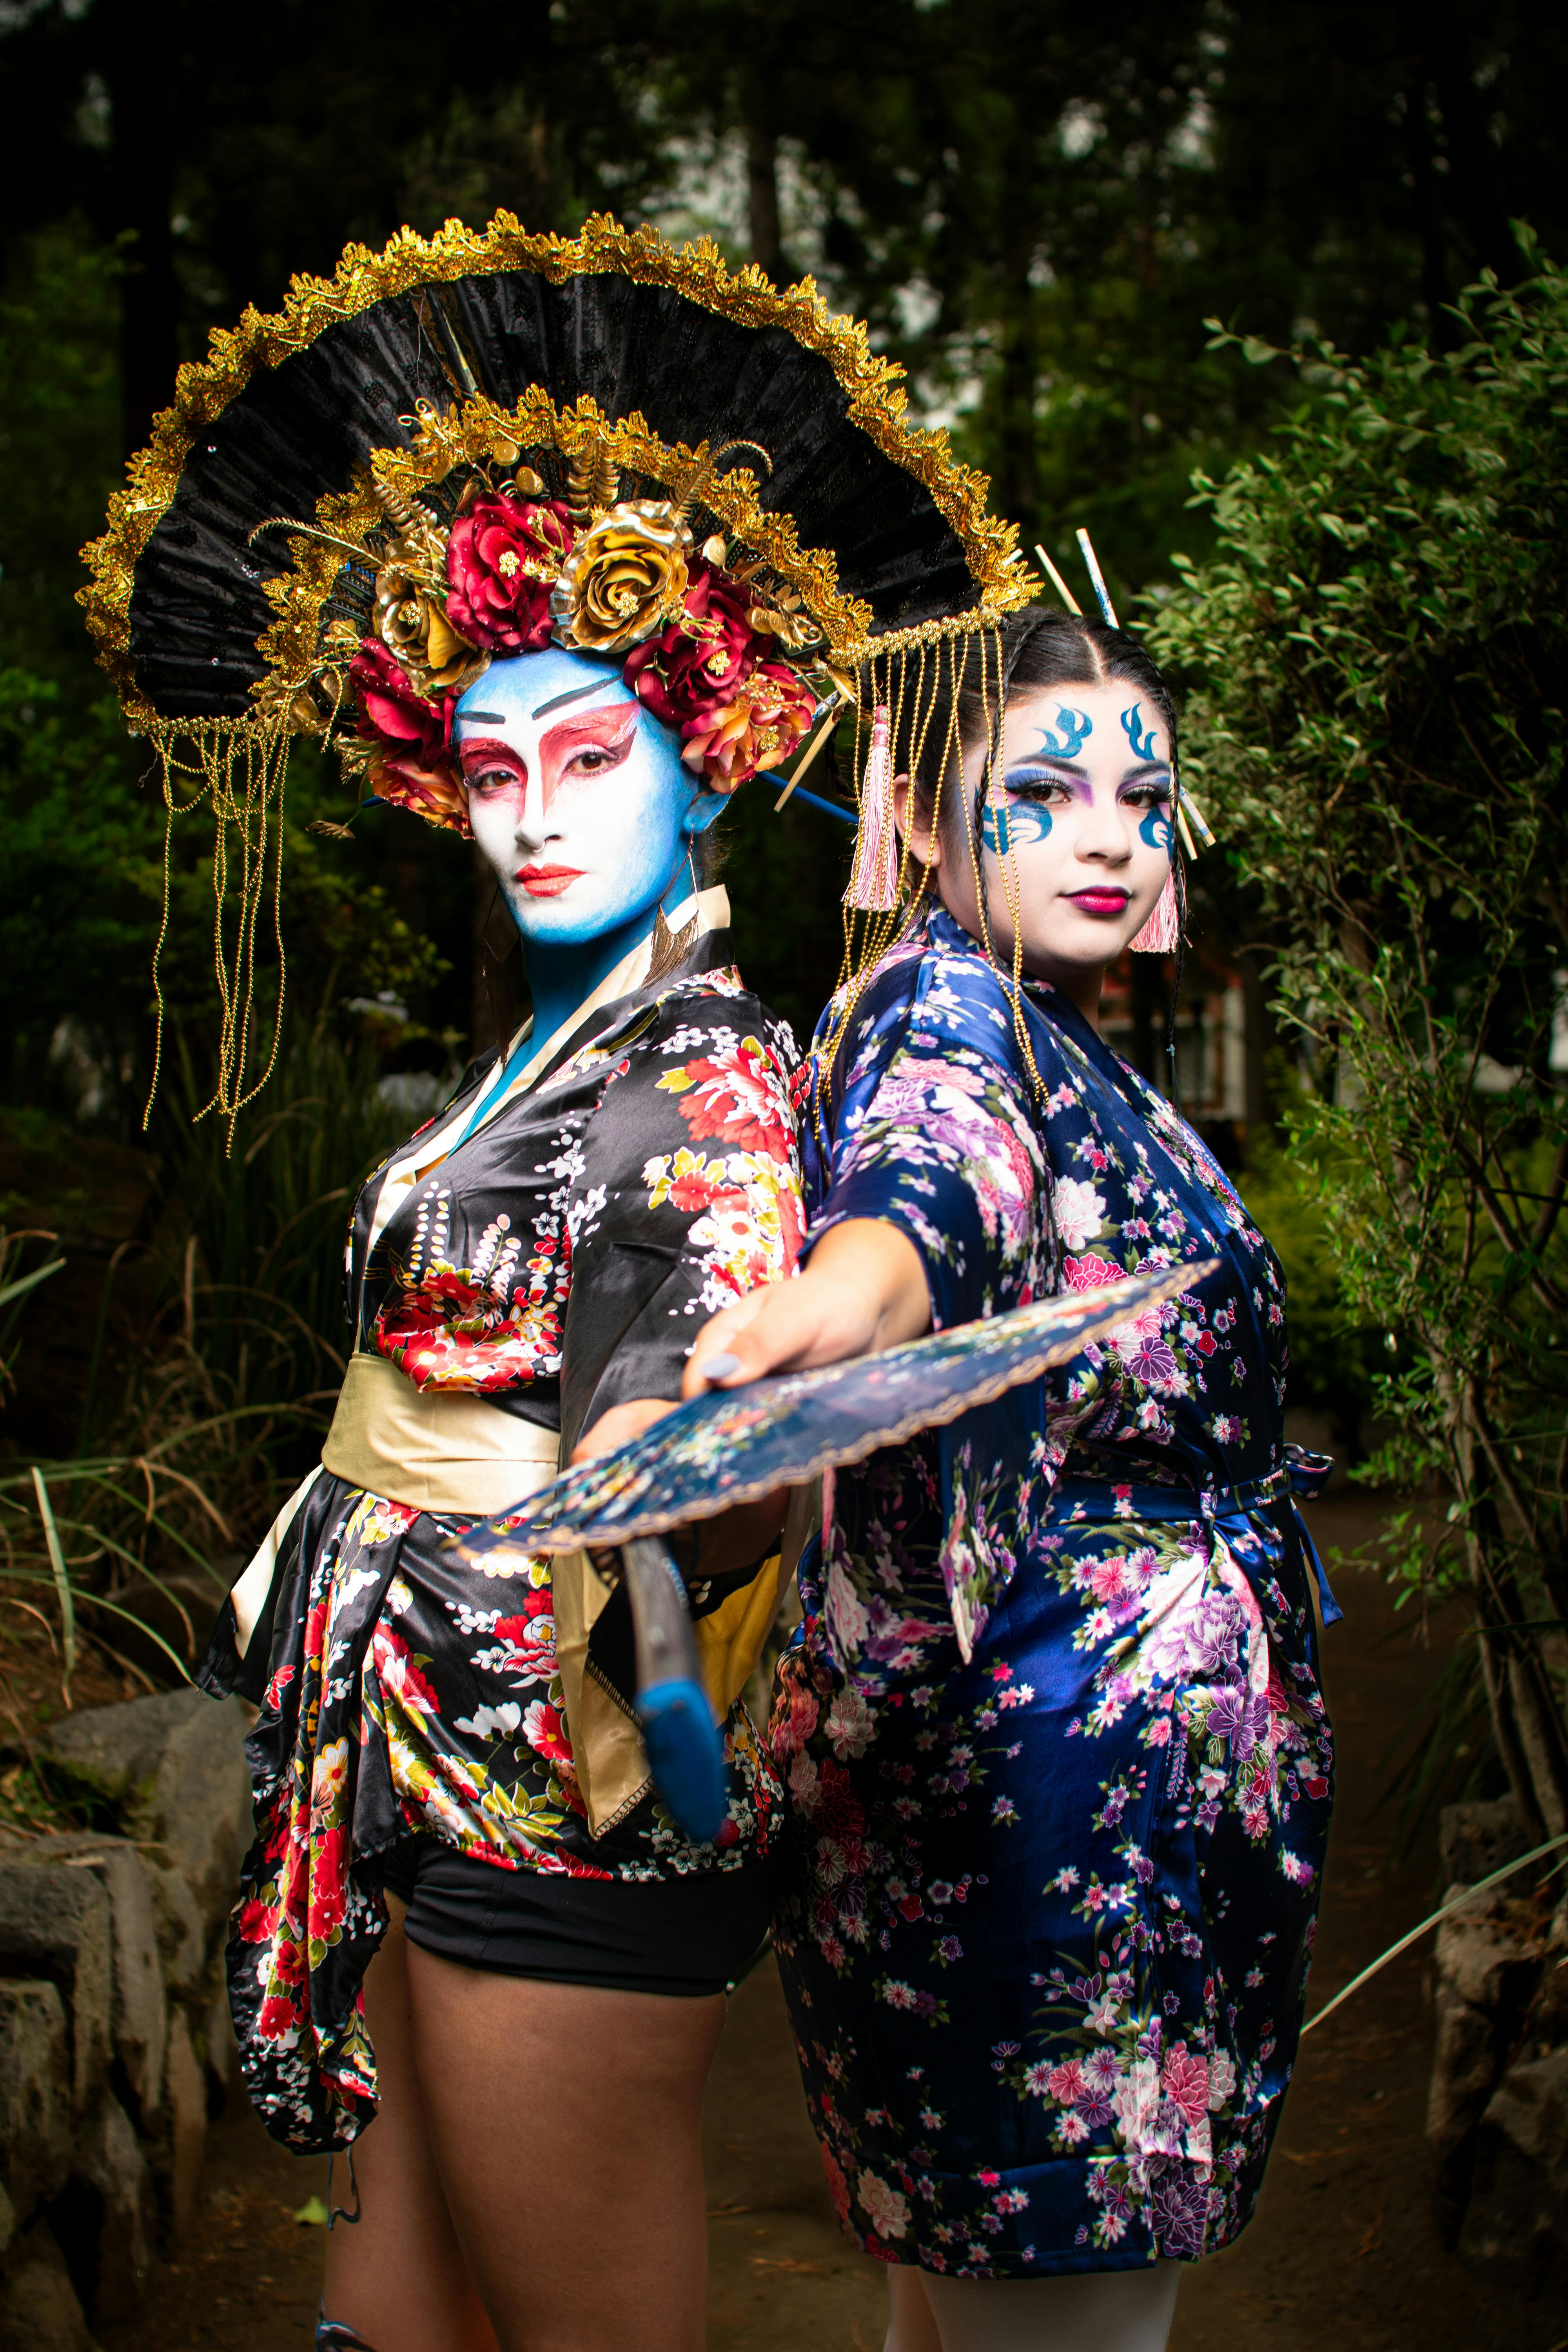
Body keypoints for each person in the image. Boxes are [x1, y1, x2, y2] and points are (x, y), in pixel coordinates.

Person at [78, 216, 1036, 2351]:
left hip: (560, 1771)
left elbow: (698, 1434)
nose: (526, 815)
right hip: (409, 1742)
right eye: (489, 768)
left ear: (701, 760)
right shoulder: (548, 1045)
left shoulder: (699, 1066)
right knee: (397, 2320)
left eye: (586, 757)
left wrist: (681, 1479)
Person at [682, 606, 1338, 2352]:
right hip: (1049, 1817)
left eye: (1142, 792)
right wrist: (831, 1309)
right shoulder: (949, 1013)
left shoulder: (1052, 1030)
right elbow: (929, 1191)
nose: (1110, 832)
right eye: (1040, 790)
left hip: (1081, 1788)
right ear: (917, 810)